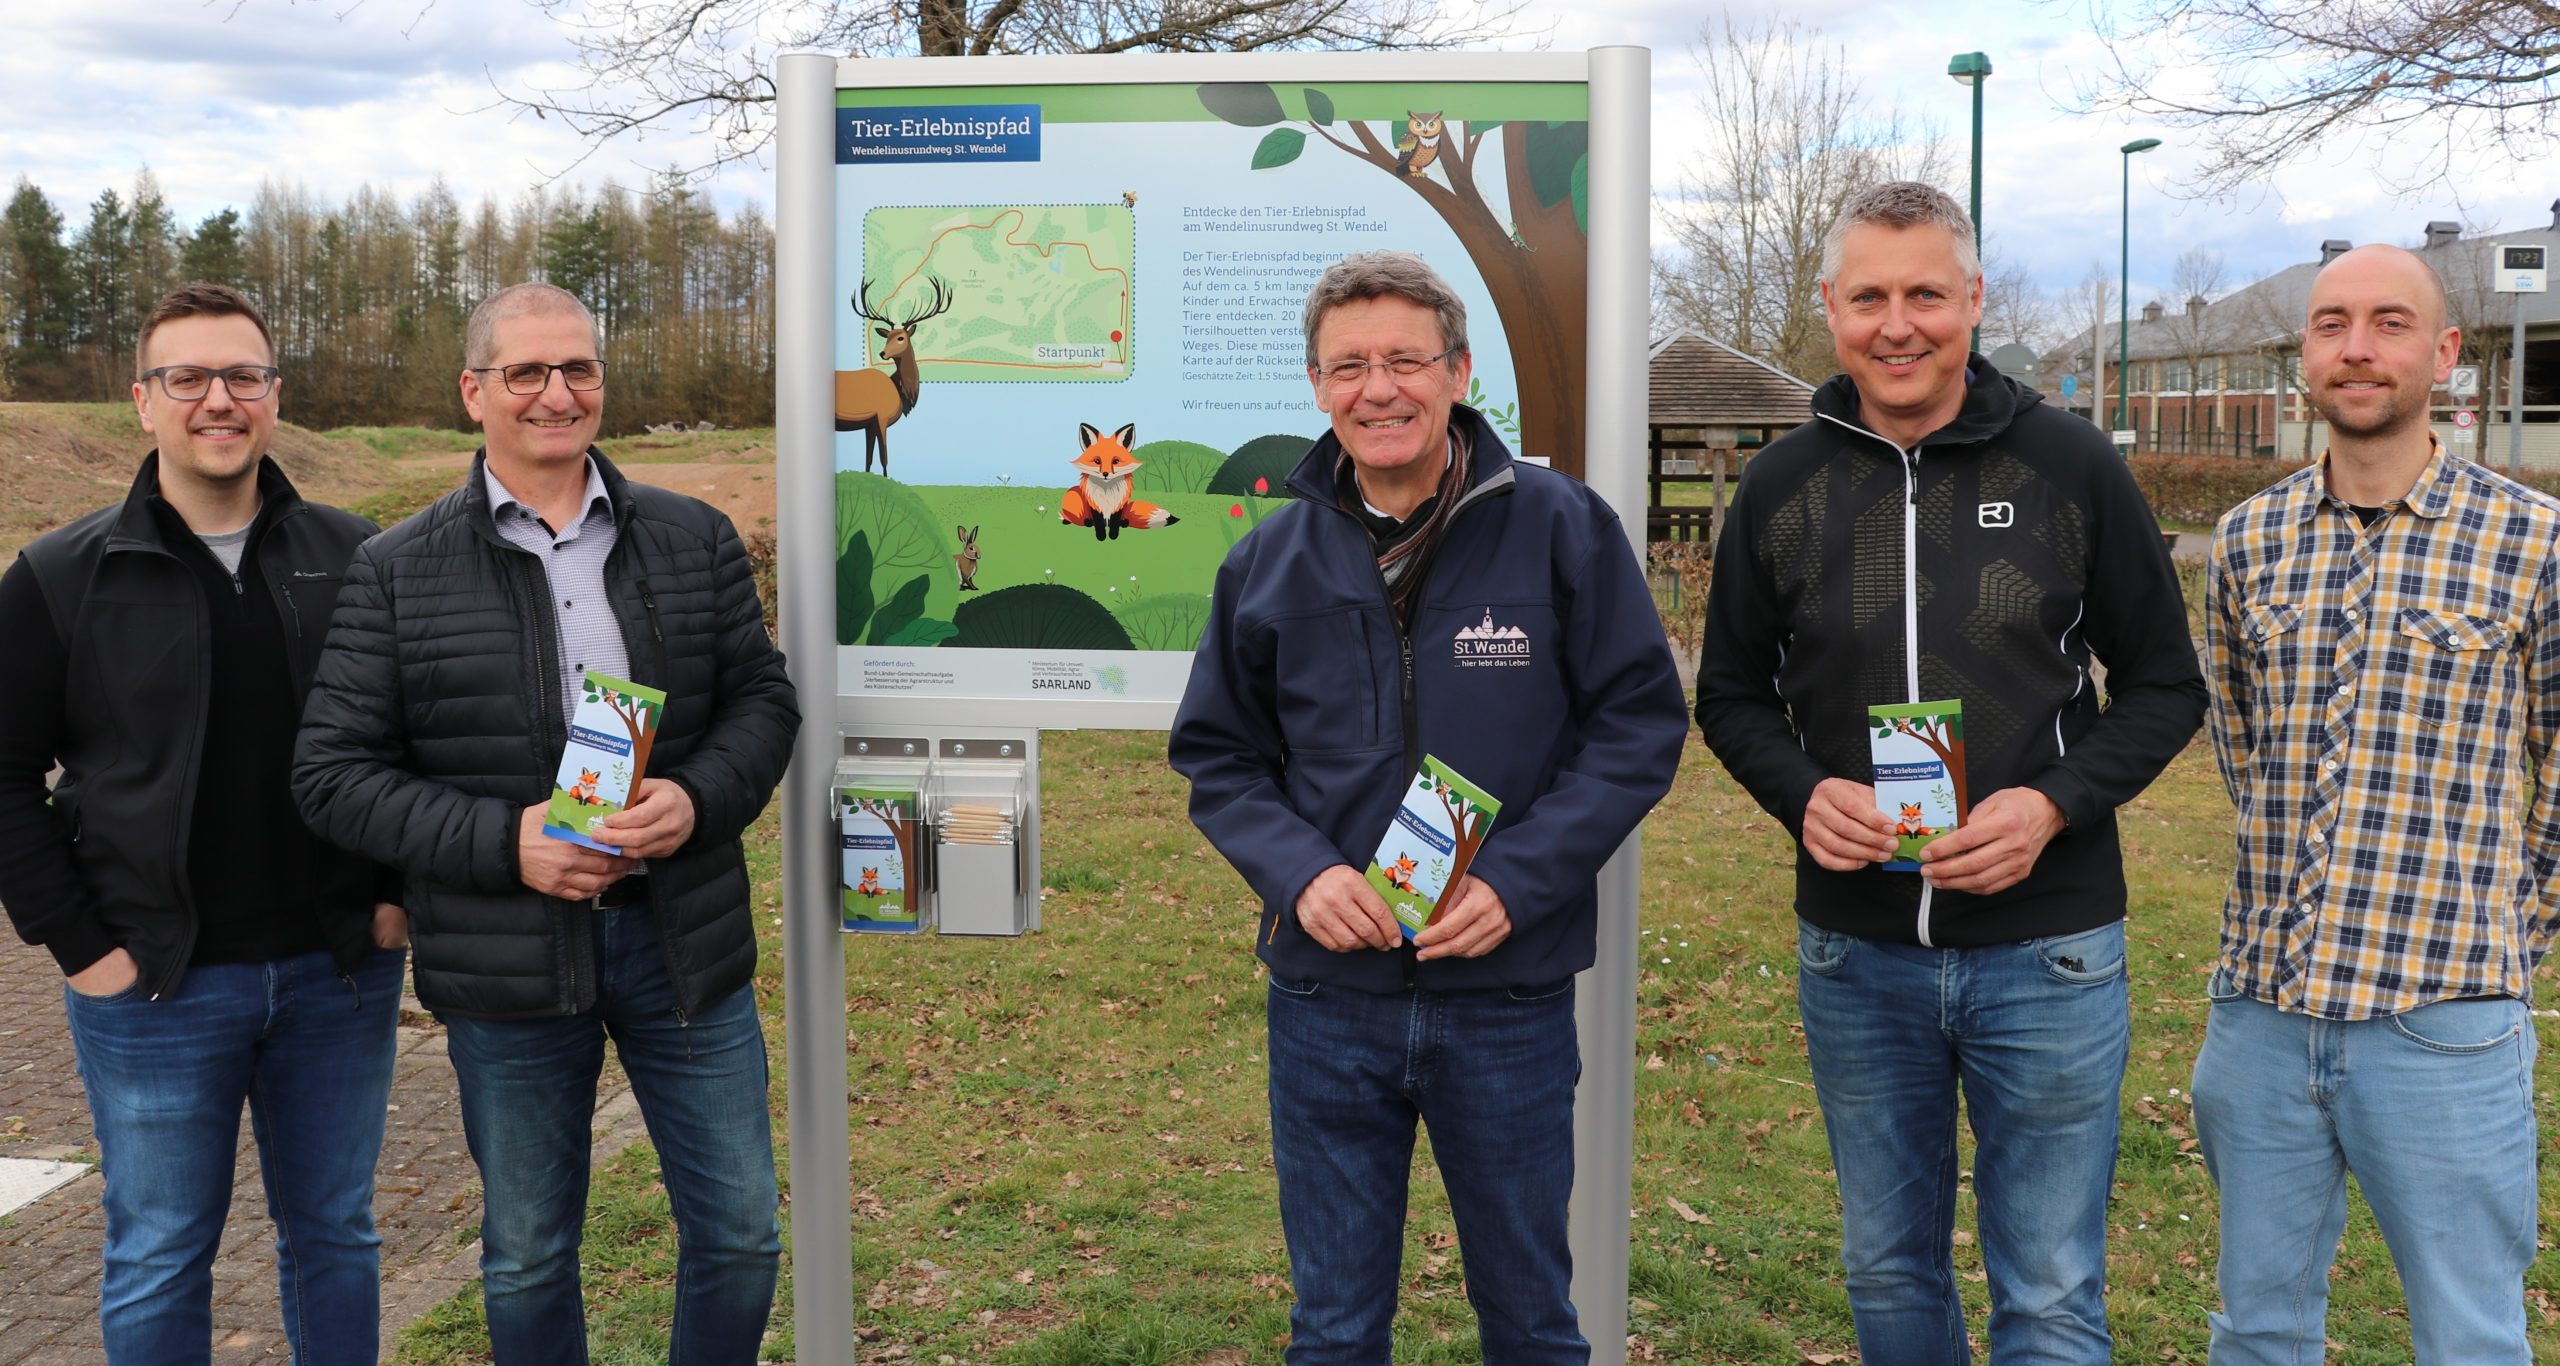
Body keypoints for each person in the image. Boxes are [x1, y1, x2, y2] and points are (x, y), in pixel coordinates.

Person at [1694, 181, 2205, 1364]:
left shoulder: (2069, 465)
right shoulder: (1781, 487)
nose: (1898, 322)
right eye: (1868, 295)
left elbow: (2166, 685)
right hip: (1857, 953)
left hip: (2050, 949)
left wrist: (2054, 802)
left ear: (1973, 300)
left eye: (1926, 292)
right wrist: (1801, 792)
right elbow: (1727, 693)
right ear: (1829, 309)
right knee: (1885, 1269)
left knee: (2049, 1288)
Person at [1169, 250, 1688, 1363]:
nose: (1378, 388)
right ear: (1316, 387)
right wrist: (1300, 874)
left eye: (1405, 359)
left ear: (1457, 372)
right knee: (1336, 1327)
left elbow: (1637, 725)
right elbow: (1219, 753)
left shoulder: (1560, 528)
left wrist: (1519, 881)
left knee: (1533, 1322)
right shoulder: (1268, 558)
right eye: (1348, 365)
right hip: (1326, 998)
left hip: (1504, 995)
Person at [290, 282, 798, 1365]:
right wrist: (503, 840)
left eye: (579, 369)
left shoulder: (689, 536)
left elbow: (764, 700)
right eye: (526, 371)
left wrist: (699, 798)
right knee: (525, 1252)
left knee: (743, 1231)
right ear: (475, 391)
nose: (556, 393)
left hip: (682, 942)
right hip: (508, 962)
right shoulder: (396, 570)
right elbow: (331, 773)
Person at [0, 283, 406, 1363]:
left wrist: (396, 895)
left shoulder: (356, 558)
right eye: (188, 377)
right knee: (162, 1249)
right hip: (155, 987)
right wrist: (82, 949)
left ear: (274, 397)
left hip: (337, 975)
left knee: (335, 1236)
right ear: (143, 400)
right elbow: (0, 776)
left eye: (242, 376)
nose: (216, 399)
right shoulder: (58, 577)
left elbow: (406, 744)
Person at [2195, 243, 2555, 1362]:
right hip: (2261, 1015)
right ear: (2302, 352)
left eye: (2390, 323)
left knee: (2467, 1338)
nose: (2357, 348)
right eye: (2331, 323)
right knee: (2257, 1328)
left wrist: (2503, 942)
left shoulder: (2531, 542)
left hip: (2438, 1023)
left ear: (2444, 355)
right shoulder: (2248, 543)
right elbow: (2240, 744)